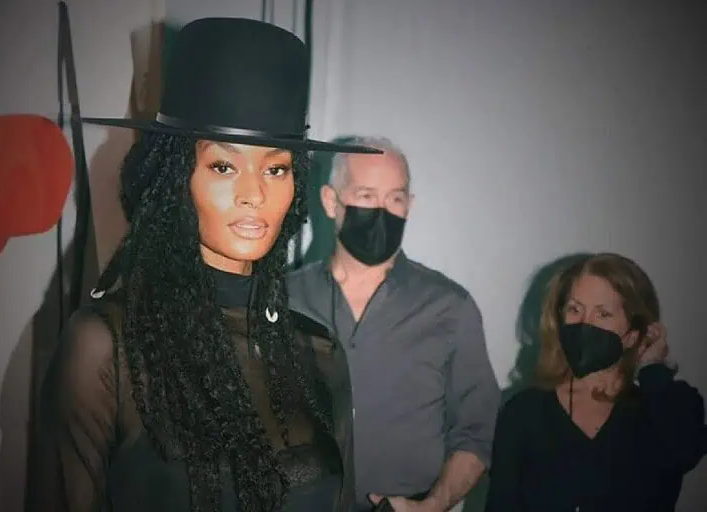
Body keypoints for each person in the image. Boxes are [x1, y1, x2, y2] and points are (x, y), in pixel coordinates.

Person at [33, 18, 382, 512]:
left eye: (275, 168)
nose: (254, 193)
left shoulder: (319, 353)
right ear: (178, 176)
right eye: (224, 166)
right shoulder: (107, 349)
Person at [287, 136, 501, 512]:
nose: (382, 211)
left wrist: (433, 505)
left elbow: (476, 434)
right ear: (330, 201)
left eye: (395, 199)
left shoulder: (451, 308)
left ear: (409, 206)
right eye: (367, 196)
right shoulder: (283, 298)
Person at [484, 252, 707, 512]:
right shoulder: (523, 412)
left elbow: (685, 449)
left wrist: (652, 368)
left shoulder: (665, 407)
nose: (584, 324)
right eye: (575, 309)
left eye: (602, 314)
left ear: (633, 334)